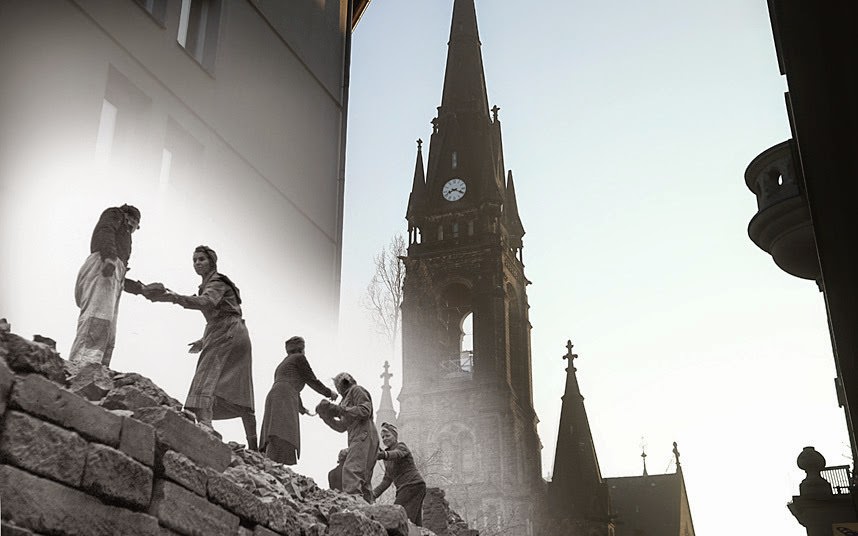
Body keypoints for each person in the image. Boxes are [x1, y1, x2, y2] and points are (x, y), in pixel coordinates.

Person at [154, 245, 257, 448]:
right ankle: (254, 447)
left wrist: (174, 297)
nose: (197, 263)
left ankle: (205, 424)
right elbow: (217, 314)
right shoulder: (211, 283)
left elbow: (207, 303)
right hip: (233, 332)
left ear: (212, 261)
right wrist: (203, 340)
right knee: (237, 388)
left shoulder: (216, 282)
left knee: (205, 376)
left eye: (202, 259)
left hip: (227, 331)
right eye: (194, 260)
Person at [70, 204, 148, 367]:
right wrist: (110, 257)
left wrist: (140, 288)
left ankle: (97, 368)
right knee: (97, 318)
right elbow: (105, 229)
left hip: (111, 273)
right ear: (131, 218)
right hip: (103, 265)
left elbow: (120, 278)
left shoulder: (123, 239)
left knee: (107, 327)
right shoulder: (116, 214)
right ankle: (81, 365)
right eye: (135, 224)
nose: (134, 228)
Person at [259, 336, 337, 465]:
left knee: (275, 429)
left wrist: (302, 408)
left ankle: (271, 462)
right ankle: (272, 463)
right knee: (281, 431)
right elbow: (311, 379)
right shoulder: (299, 358)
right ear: (301, 348)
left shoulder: (284, 363)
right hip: (284, 396)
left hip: (276, 395)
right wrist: (329, 393)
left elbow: (290, 383)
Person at [317, 372, 379, 503]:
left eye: (338, 383)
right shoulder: (344, 400)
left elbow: (365, 411)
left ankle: (354, 505)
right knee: (363, 479)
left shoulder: (356, 390)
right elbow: (341, 427)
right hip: (360, 436)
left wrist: (339, 410)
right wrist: (326, 416)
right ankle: (369, 508)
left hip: (363, 433)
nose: (338, 387)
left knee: (351, 470)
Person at [372, 422, 426, 525]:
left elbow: (397, 454)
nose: (385, 439)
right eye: (383, 437)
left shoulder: (401, 446)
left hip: (412, 485)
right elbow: (387, 480)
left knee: (396, 516)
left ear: (395, 436)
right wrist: (374, 494)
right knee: (414, 523)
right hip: (408, 487)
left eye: (388, 436)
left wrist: (384, 454)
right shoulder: (387, 458)